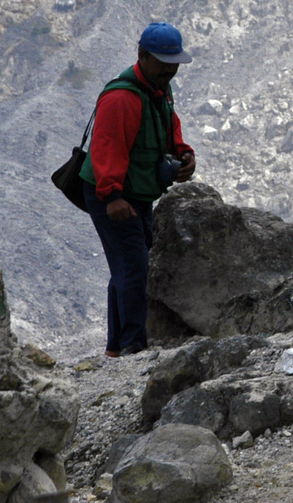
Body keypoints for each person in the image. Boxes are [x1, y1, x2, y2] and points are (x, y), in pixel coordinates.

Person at [80, 22, 197, 357]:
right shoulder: (121, 98)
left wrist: (183, 151)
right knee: (134, 266)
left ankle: (117, 347)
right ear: (142, 56)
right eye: (162, 62)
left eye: (173, 63)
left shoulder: (158, 88)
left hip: (137, 191)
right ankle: (132, 345)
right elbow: (107, 148)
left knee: (127, 265)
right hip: (113, 195)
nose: (170, 70)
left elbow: (168, 125)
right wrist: (113, 195)